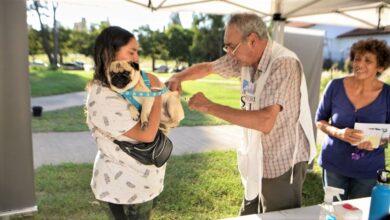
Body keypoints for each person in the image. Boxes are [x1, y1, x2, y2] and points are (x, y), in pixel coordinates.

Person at [166, 13, 316, 215]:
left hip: (283, 158)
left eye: (231, 46)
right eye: (226, 47)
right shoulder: (244, 58)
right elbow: (209, 68)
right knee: (249, 213)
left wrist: (209, 107)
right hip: (256, 155)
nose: (229, 53)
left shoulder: (284, 63)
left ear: (252, 39)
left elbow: (265, 121)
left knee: (278, 216)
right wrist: (178, 77)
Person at [85, 26, 165, 219]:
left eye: (137, 51)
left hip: (139, 180)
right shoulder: (102, 95)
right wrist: (156, 93)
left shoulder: (119, 85)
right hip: (123, 187)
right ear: (109, 53)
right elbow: (147, 135)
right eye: (131, 51)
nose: (137, 56)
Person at [316, 38, 390, 200]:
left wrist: (379, 140)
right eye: (357, 58)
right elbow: (320, 120)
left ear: (380, 66)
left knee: (359, 214)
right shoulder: (334, 86)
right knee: (333, 213)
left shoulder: (387, 95)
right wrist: (338, 132)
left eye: (368, 61)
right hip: (334, 164)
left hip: (368, 169)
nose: (359, 64)